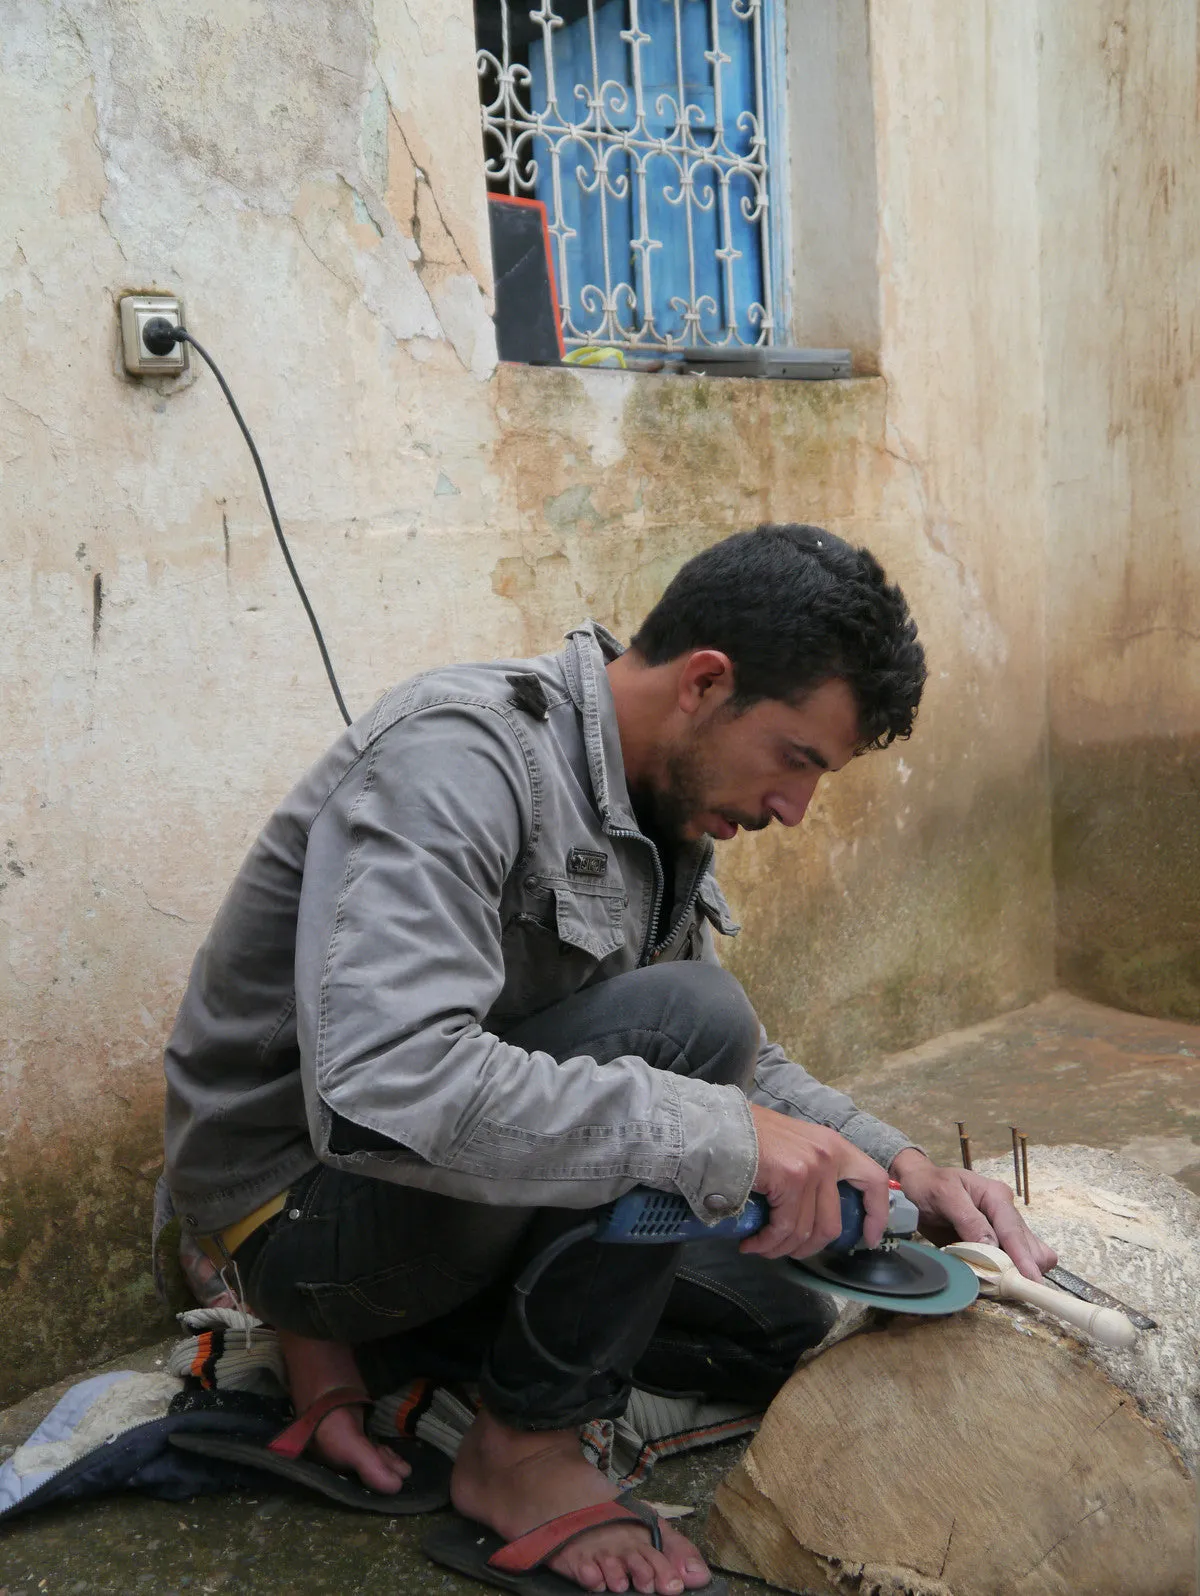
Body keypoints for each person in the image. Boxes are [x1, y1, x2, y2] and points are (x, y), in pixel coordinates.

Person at [162, 524, 1054, 1596]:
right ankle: (519, 1449)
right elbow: (380, 1093)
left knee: (775, 1317)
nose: (792, 810)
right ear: (706, 682)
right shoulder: (460, 755)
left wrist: (893, 1163)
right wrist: (723, 1135)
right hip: (308, 1212)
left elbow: (744, 1070)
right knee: (692, 1034)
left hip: (448, 1199)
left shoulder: (665, 802)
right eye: (797, 760)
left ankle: (405, 1356)